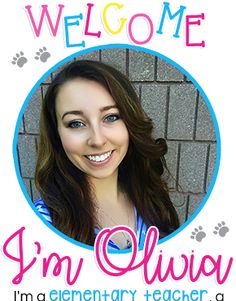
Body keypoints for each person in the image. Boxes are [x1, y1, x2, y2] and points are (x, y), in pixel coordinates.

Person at [34, 59, 179, 250]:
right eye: (76, 123)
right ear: (57, 134)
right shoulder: (42, 224)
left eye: (111, 117)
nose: (98, 140)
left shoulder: (151, 193)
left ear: (130, 122)